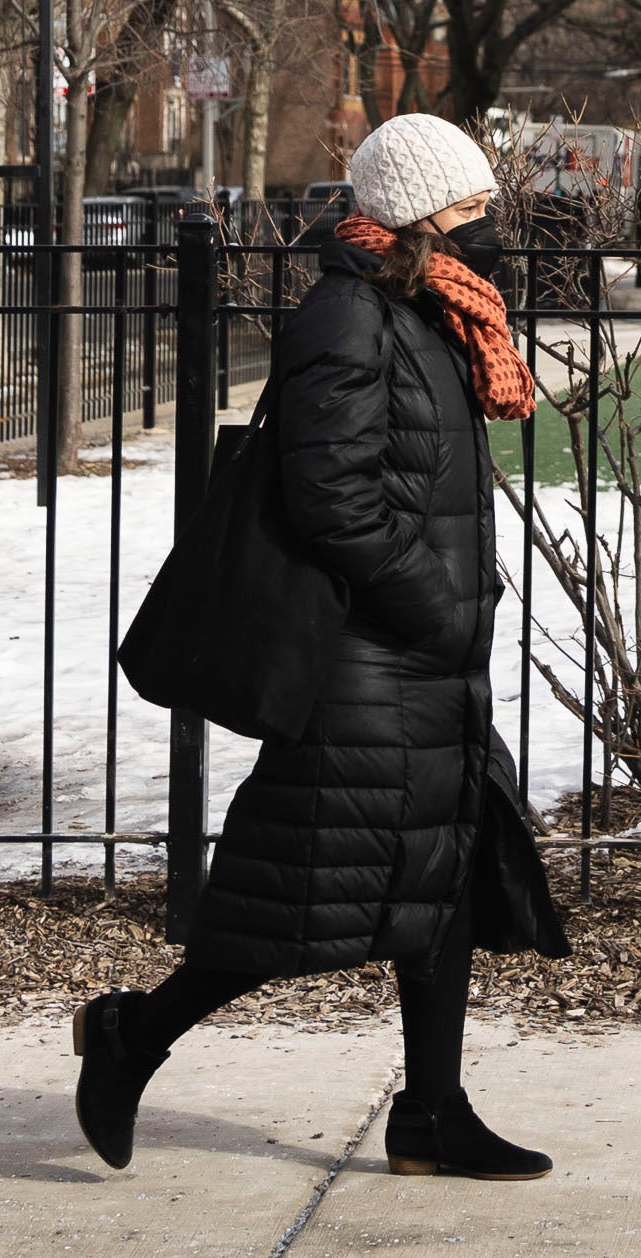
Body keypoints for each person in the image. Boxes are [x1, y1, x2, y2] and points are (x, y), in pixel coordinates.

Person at [73, 109, 572, 1180]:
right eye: (469, 209)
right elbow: (330, 499)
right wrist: (434, 604)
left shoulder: (429, 307)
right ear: (411, 217)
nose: (490, 227)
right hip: (370, 655)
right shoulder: (349, 318)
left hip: (427, 656)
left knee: (435, 878)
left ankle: (431, 1114)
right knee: (296, 893)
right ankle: (131, 1035)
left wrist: (451, 614)